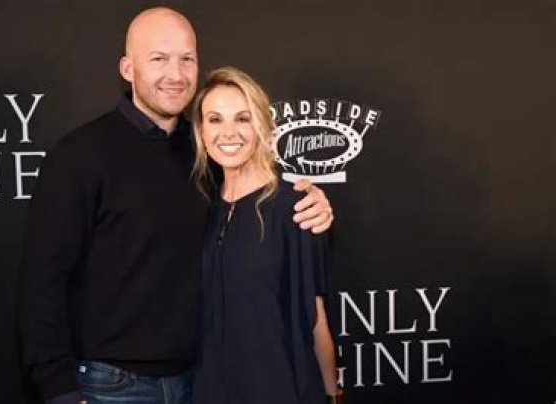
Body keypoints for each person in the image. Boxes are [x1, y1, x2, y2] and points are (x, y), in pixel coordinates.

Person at [18, 7, 334, 404]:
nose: (176, 74)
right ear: (127, 68)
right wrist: (58, 388)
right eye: (158, 59)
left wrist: (312, 199)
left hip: (199, 383)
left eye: (187, 59)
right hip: (112, 387)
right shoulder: (80, 156)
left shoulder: (206, 154)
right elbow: (42, 281)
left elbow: (256, 195)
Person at [191, 66, 343, 404]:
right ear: (201, 131)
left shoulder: (297, 207)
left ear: (261, 124)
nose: (228, 132)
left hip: (278, 390)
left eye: (242, 118)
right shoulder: (205, 208)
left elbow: (315, 319)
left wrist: (332, 394)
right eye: (215, 120)